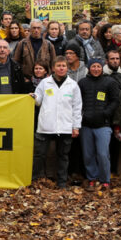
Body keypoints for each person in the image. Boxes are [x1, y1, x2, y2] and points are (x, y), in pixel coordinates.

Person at [31, 56, 82, 186]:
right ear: (53, 68)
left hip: (65, 125)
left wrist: (76, 126)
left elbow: (77, 107)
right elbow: (38, 101)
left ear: (67, 68)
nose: (61, 68)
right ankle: (34, 180)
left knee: (63, 156)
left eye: (63, 66)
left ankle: (62, 182)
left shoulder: (73, 85)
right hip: (46, 125)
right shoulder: (44, 83)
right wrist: (33, 97)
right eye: (58, 66)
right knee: (39, 154)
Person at [77, 57, 120, 191]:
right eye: (93, 66)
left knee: (102, 153)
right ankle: (92, 178)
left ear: (102, 67)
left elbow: (115, 101)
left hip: (103, 125)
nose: (96, 69)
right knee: (88, 154)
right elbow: (77, 102)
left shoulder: (110, 82)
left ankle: (105, 179)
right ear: (89, 68)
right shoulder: (82, 82)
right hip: (86, 125)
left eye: (98, 67)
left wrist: (105, 113)